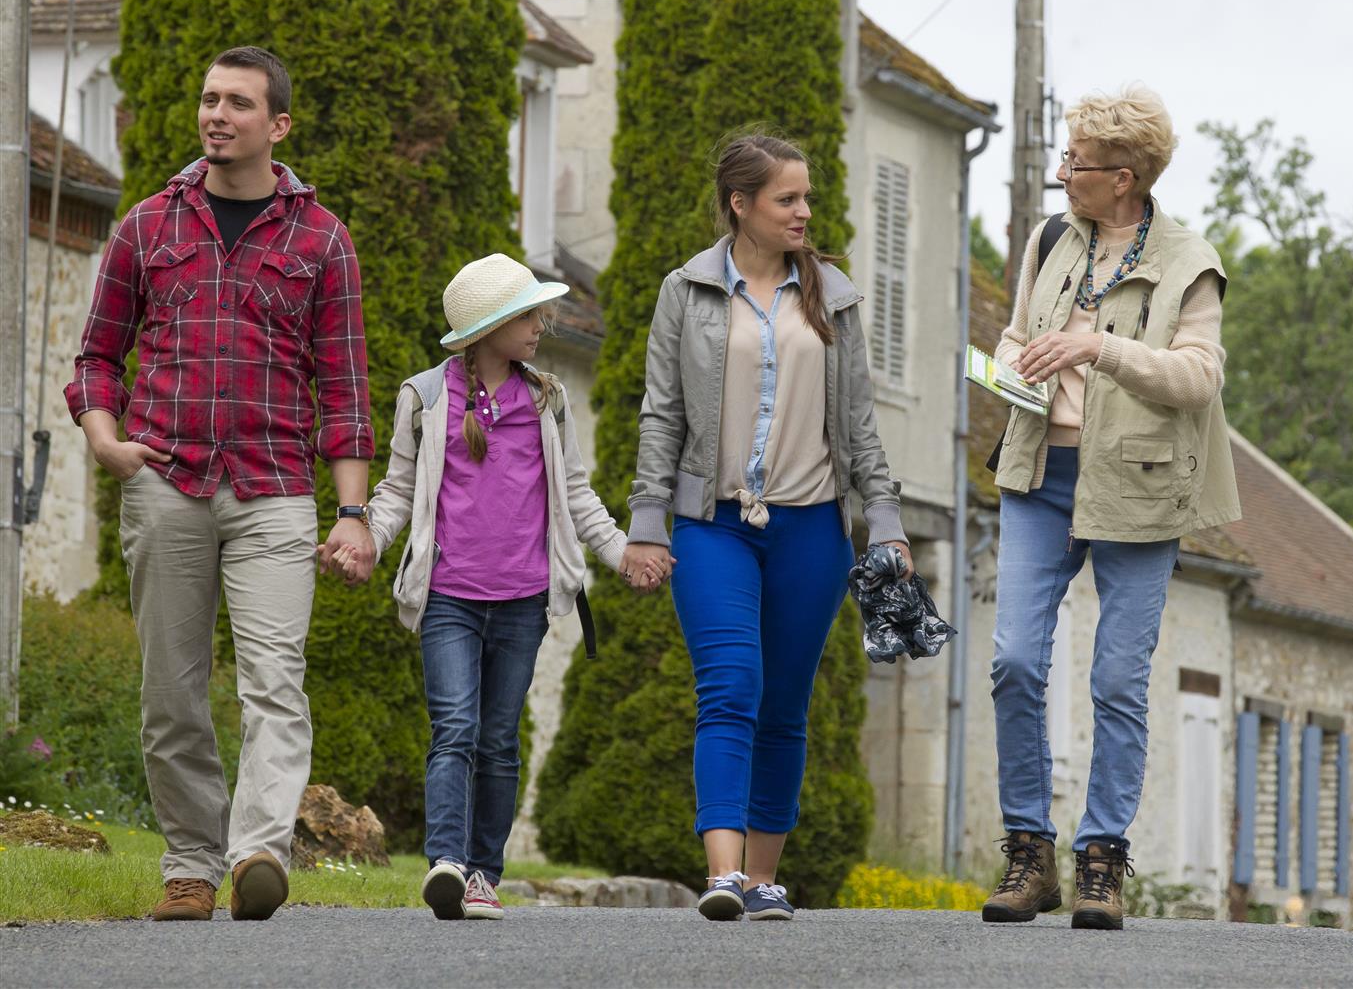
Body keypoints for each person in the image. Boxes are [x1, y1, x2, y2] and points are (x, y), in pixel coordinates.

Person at [64, 46, 374, 921]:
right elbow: (97, 356)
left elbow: (345, 388)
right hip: (165, 482)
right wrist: (104, 440)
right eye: (208, 98)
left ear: (277, 125)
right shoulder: (145, 226)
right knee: (172, 689)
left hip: (275, 490)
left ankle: (258, 855)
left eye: (238, 102)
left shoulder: (322, 239)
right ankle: (189, 867)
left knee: (274, 679)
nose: (217, 114)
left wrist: (351, 512)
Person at [327, 254, 671, 920]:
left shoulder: (546, 397)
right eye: (529, 314)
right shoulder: (424, 398)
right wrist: (364, 535)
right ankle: (447, 864)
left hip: (524, 600)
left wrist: (621, 550)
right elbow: (398, 493)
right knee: (454, 725)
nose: (544, 324)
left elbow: (575, 492)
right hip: (449, 598)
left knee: (498, 740)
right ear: (489, 328)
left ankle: (484, 873)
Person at [622, 134, 912, 921]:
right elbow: (663, 415)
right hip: (714, 526)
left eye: (806, 198)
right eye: (788, 199)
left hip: (811, 530)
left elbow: (859, 424)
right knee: (730, 687)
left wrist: (884, 522)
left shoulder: (835, 298)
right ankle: (722, 875)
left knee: (784, 703)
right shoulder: (685, 291)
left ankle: (762, 878)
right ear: (740, 204)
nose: (804, 212)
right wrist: (648, 525)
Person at [982, 86, 1241, 930]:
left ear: (1123, 177)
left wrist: (1102, 347)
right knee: (1016, 661)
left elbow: (1199, 377)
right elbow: (1020, 334)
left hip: (1140, 482)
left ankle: (1101, 860)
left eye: (1077, 163)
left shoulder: (1188, 261)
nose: (1063, 174)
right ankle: (1029, 853)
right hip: (1039, 470)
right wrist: (1010, 361)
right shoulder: (1051, 238)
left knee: (1117, 681)